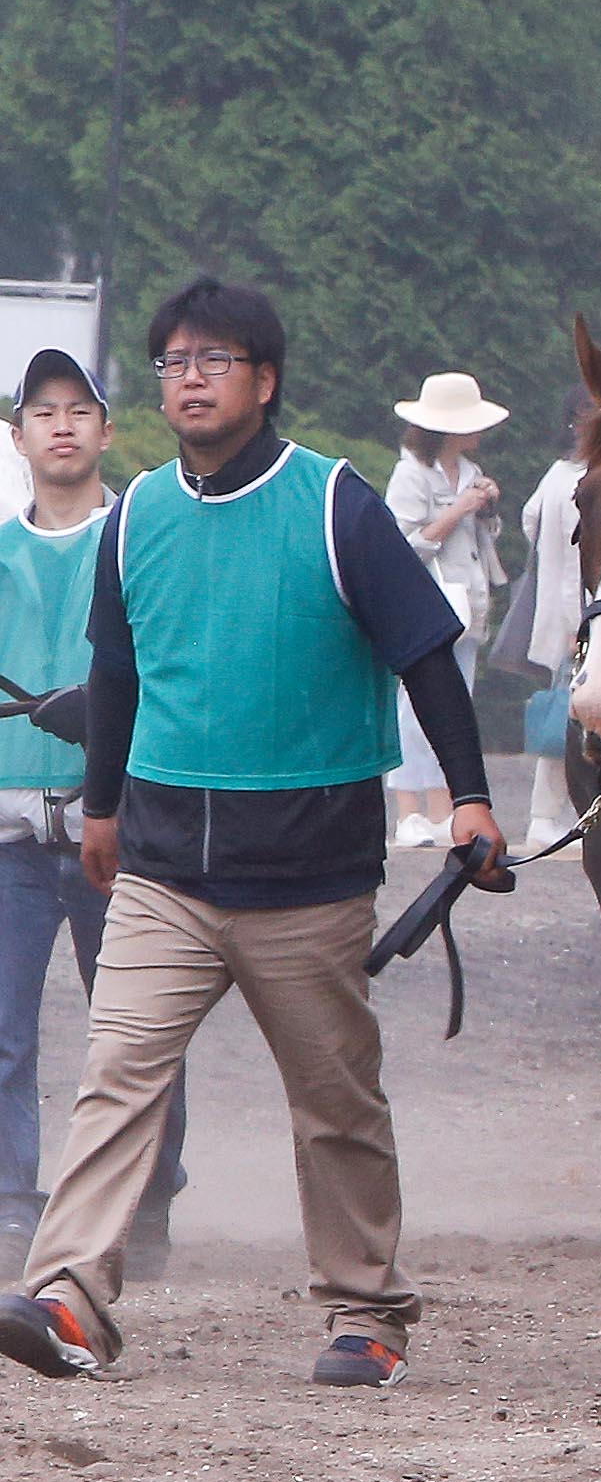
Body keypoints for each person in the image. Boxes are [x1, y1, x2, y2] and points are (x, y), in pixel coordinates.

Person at [0, 277, 504, 1388]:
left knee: (335, 1100)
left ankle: (367, 1311)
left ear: (264, 381)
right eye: (175, 359)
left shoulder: (336, 504)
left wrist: (468, 794)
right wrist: (99, 808)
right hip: (166, 868)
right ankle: (71, 1298)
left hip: (310, 874)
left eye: (214, 358)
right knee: (117, 1071)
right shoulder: (136, 516)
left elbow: (425, 648)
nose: (190, 375)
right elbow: (117, 674)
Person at [0, 352, 186, 1285]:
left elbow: (181, 667)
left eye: (80, 410)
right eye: (44, 411)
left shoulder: (141, 540)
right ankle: (9, 1206)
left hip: (124, 826)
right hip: (10, 834)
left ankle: (147, 1198)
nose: (62, 425)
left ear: (108, 431)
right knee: (4, 1029)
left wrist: (109, 711)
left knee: (144, 1029)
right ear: (21, 433)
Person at [383, 372, 509, 849]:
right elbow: (405, 544)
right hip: (427, 603)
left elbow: (480, 542)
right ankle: (407, 810)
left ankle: (440, 808)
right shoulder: (410, 474)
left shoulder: (470, 473)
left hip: (468, 603)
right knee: (415, 709)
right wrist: (459, 508)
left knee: (455, 708)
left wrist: (484, 508)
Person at [518, 389, 592, 839]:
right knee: (565, 716)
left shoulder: (555, 474)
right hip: (579, 617)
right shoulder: (579, 479)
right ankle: (544, 816)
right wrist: (575, 624)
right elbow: (573, 564)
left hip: (567, 614)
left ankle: (551, 815)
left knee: (568, 711)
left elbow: (531, 524)